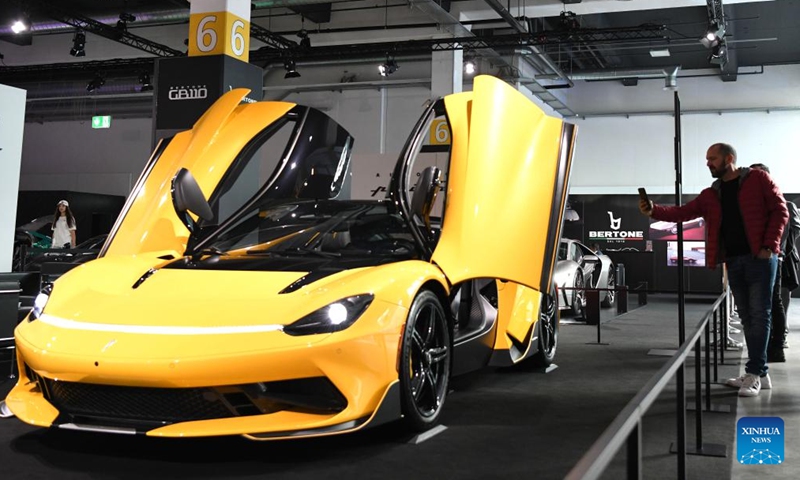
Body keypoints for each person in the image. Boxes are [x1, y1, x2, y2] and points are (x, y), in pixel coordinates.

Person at [638, 143, 788, 397]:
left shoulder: (758, 178)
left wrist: (768, 246)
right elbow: (683, 212)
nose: (708, 163)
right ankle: (759, 373)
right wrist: (654, 210)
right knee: (748, 318)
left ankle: (754, 373)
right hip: (734, 261)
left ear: (729, 158)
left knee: (759, 315)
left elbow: (780, 211)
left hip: (760, 259)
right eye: (707, 159)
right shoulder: (712, 193)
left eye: (713, 159)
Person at [750, 163, 800, 361]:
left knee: (778, 299)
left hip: (782, 260)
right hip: (764, 258)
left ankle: (780, 339)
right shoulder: (755, 205)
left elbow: (792, 231)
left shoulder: (786, 205)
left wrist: (774, 251)